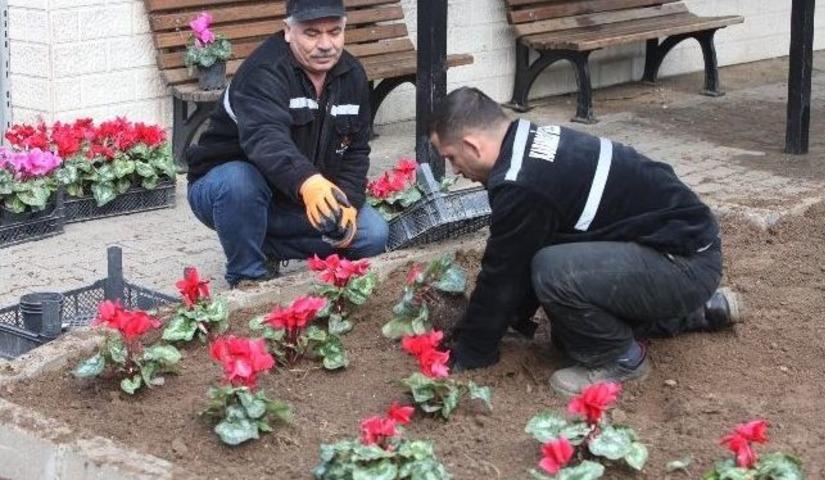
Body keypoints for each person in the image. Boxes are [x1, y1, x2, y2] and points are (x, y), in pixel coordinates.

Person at [429, 87, 743, 395]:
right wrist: (514, 321)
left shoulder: (520, 184)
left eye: (452, 158)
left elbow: (504, 274)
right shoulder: (528, 141)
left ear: (473, 145)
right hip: (683, 250)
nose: (456, 171)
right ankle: (696, 312)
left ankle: (621, 359)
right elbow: (523, 249)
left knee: (553, 273)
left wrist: (472, 353)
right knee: (571, 334)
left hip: (683, 264)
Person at [185, 0, 388, 287]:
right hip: (228, 190)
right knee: (239, 182)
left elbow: (356, 150)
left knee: (372, 235)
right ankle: (248, 278)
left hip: (297, 199)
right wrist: (309, 182)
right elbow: (266, 140)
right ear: (288, 31)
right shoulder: (263, 72)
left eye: (335, 31)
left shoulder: (351, 74)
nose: (326, 44)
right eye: (312, 33)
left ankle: (265, 244)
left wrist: (350, 203)